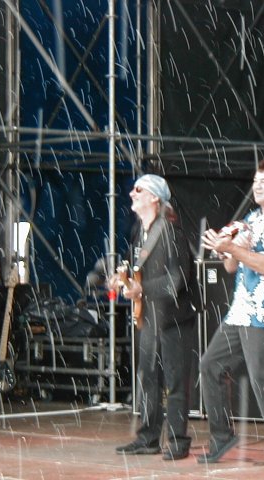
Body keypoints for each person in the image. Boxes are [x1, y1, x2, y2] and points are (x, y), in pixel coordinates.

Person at [199, 158, 264, 472]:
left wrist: (235, 249)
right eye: (255, 180)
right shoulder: (251, 218)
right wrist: (226, 247)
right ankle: (221, 436)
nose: (256, 186)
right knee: (210, 365)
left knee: (262, 378)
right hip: (241, 309)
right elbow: (232, 267)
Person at [109, 174, 197, 461]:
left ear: (155, 198)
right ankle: (148, 438)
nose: (132, 193)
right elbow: (135, 267)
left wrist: (142, 289)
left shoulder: (170, 232)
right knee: (147, 378)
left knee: (175, 381)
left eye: (139, 189)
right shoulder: (141, 231)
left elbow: (177, 280)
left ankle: (178, 441)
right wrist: (121, 279)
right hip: (150, 318)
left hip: (174, 319)